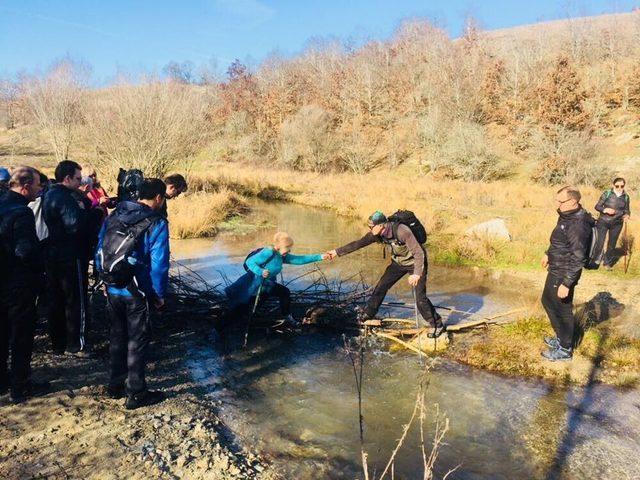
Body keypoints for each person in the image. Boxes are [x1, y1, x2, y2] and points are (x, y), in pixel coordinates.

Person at [96, 178, 170, 409]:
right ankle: (136, 393)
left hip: (113, 286)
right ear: (158, 197)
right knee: (137, 340)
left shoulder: (115, 214)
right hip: (137, 291)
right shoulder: (157, 222)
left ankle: (114, 385)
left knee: (117, 336)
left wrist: (105, 281)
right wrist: (158, 295)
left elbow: (99, 247)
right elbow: (158, 264)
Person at [327, 211, 445, 337]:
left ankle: (437, 325)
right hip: (398, 263)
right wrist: (336, 252)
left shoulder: (402, 231)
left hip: (415, 263)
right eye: (369, 227)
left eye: (371, 227)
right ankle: (368, 314)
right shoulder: (377, 234)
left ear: (381, 225)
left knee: (420, 299)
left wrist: (416, 274)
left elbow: (419, 253)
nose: (370, 229)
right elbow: (358, 243)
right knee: (381, 287)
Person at [0, 166, 49, 403]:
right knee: (21, 335)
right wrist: (41, 263)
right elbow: (25, 250)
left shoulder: (1, 204)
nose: (40, 190)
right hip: (17, 284)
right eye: (39, 185)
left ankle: (1, 381)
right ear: (26, 185)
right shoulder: (21, 212)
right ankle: (20, 386)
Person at [225, 232, 330, 327]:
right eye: (288, 248)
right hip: (255, 284)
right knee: (240, 308)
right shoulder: (269, 252)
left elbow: (300, 259)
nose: (289, 250)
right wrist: (260, 271)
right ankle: (221, 327)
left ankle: (287, 317)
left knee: (284, 292)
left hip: (267, 285)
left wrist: (321, 256)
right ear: (279, 246)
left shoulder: (282, 255)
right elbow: (250, 262)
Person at [540, 186, 594, 361]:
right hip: (556, 266)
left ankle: (565, 350)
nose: (558, 204)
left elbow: (578, 257)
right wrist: (548, 253)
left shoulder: (578, 224)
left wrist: (567, 283)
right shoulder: (566, 216)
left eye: (561, 201)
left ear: (573, 202)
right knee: (547, 301)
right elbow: (559, 241)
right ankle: (560, 338)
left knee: (562, 309)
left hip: (565, 272)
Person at [42, 160, 88, 356]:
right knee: (74, 299)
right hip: (70, 255)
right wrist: (93, 213)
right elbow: (75, 226)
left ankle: (57, 344)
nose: (80, 182)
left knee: (57, 299)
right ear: (67, 178)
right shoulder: (65, 197)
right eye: (77, 179)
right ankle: (75, 345)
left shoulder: (48, 193)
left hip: (53, 254)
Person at [593, 177, 631, 270]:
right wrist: (605, 209)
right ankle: (595, 260)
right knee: (599, 242)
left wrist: (627, 215)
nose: (619, 188)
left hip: (617, 223)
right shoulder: (607, 193)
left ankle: (607, 263)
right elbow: (597, 206)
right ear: (613, 185)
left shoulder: (626, 197)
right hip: (603, 221)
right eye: (617, 186)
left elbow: (627, 210)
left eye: (622, 186)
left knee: (612, 244)